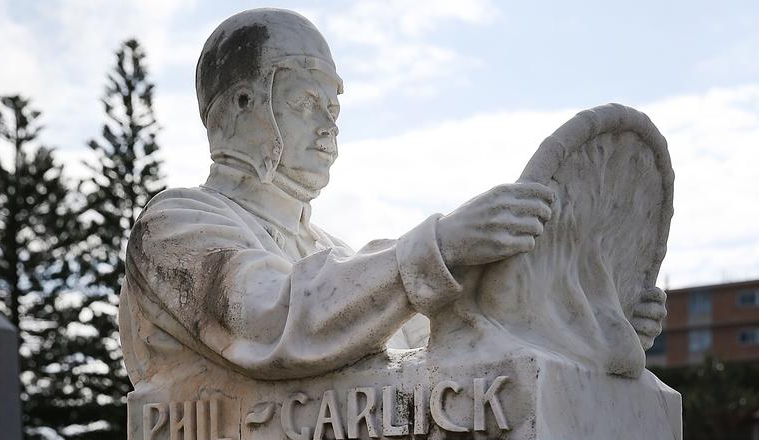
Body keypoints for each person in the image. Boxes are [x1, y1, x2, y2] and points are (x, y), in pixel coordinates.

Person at [119, 8, 556, 387]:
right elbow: (271, 322)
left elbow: (419, 349)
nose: (330, 126)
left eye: (334, 110)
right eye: (306, 102)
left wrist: (502, 280)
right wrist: (440, 246)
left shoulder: (331, 251)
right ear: (244, 105)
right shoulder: (175, 224)